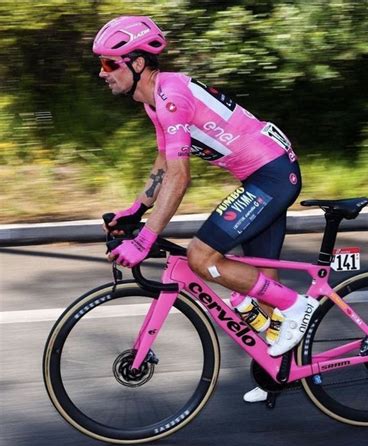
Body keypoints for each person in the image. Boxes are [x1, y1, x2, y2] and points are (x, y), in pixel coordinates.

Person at [93, 16, 318, 403]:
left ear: (138, 63)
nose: (103, 73)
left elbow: (180, 178)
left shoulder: (171, 97)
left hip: (272, 176)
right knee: (261, 291)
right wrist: (134, 211)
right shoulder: (154, 101)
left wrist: (145, 239)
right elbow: (163, 165)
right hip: (264, 175)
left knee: (201, 256)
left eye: (111, 63)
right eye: (102, 64)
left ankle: (300, 306)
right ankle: (282, 373)